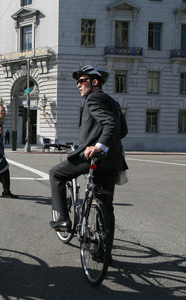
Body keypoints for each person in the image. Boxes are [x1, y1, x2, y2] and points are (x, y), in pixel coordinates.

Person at [48, 65, 127, 253]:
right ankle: (103, 252)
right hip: (112, 161)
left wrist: (99, 145)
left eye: (82, 81)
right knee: (106, 207)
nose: (78, 85)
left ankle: (63, 219)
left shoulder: (93, 98)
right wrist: (105, 143)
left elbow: (109, 123)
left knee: (56, 174)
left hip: (94, 157)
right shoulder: (113, 102)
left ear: (95, 82)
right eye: (77, 82)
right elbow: (121, 130)